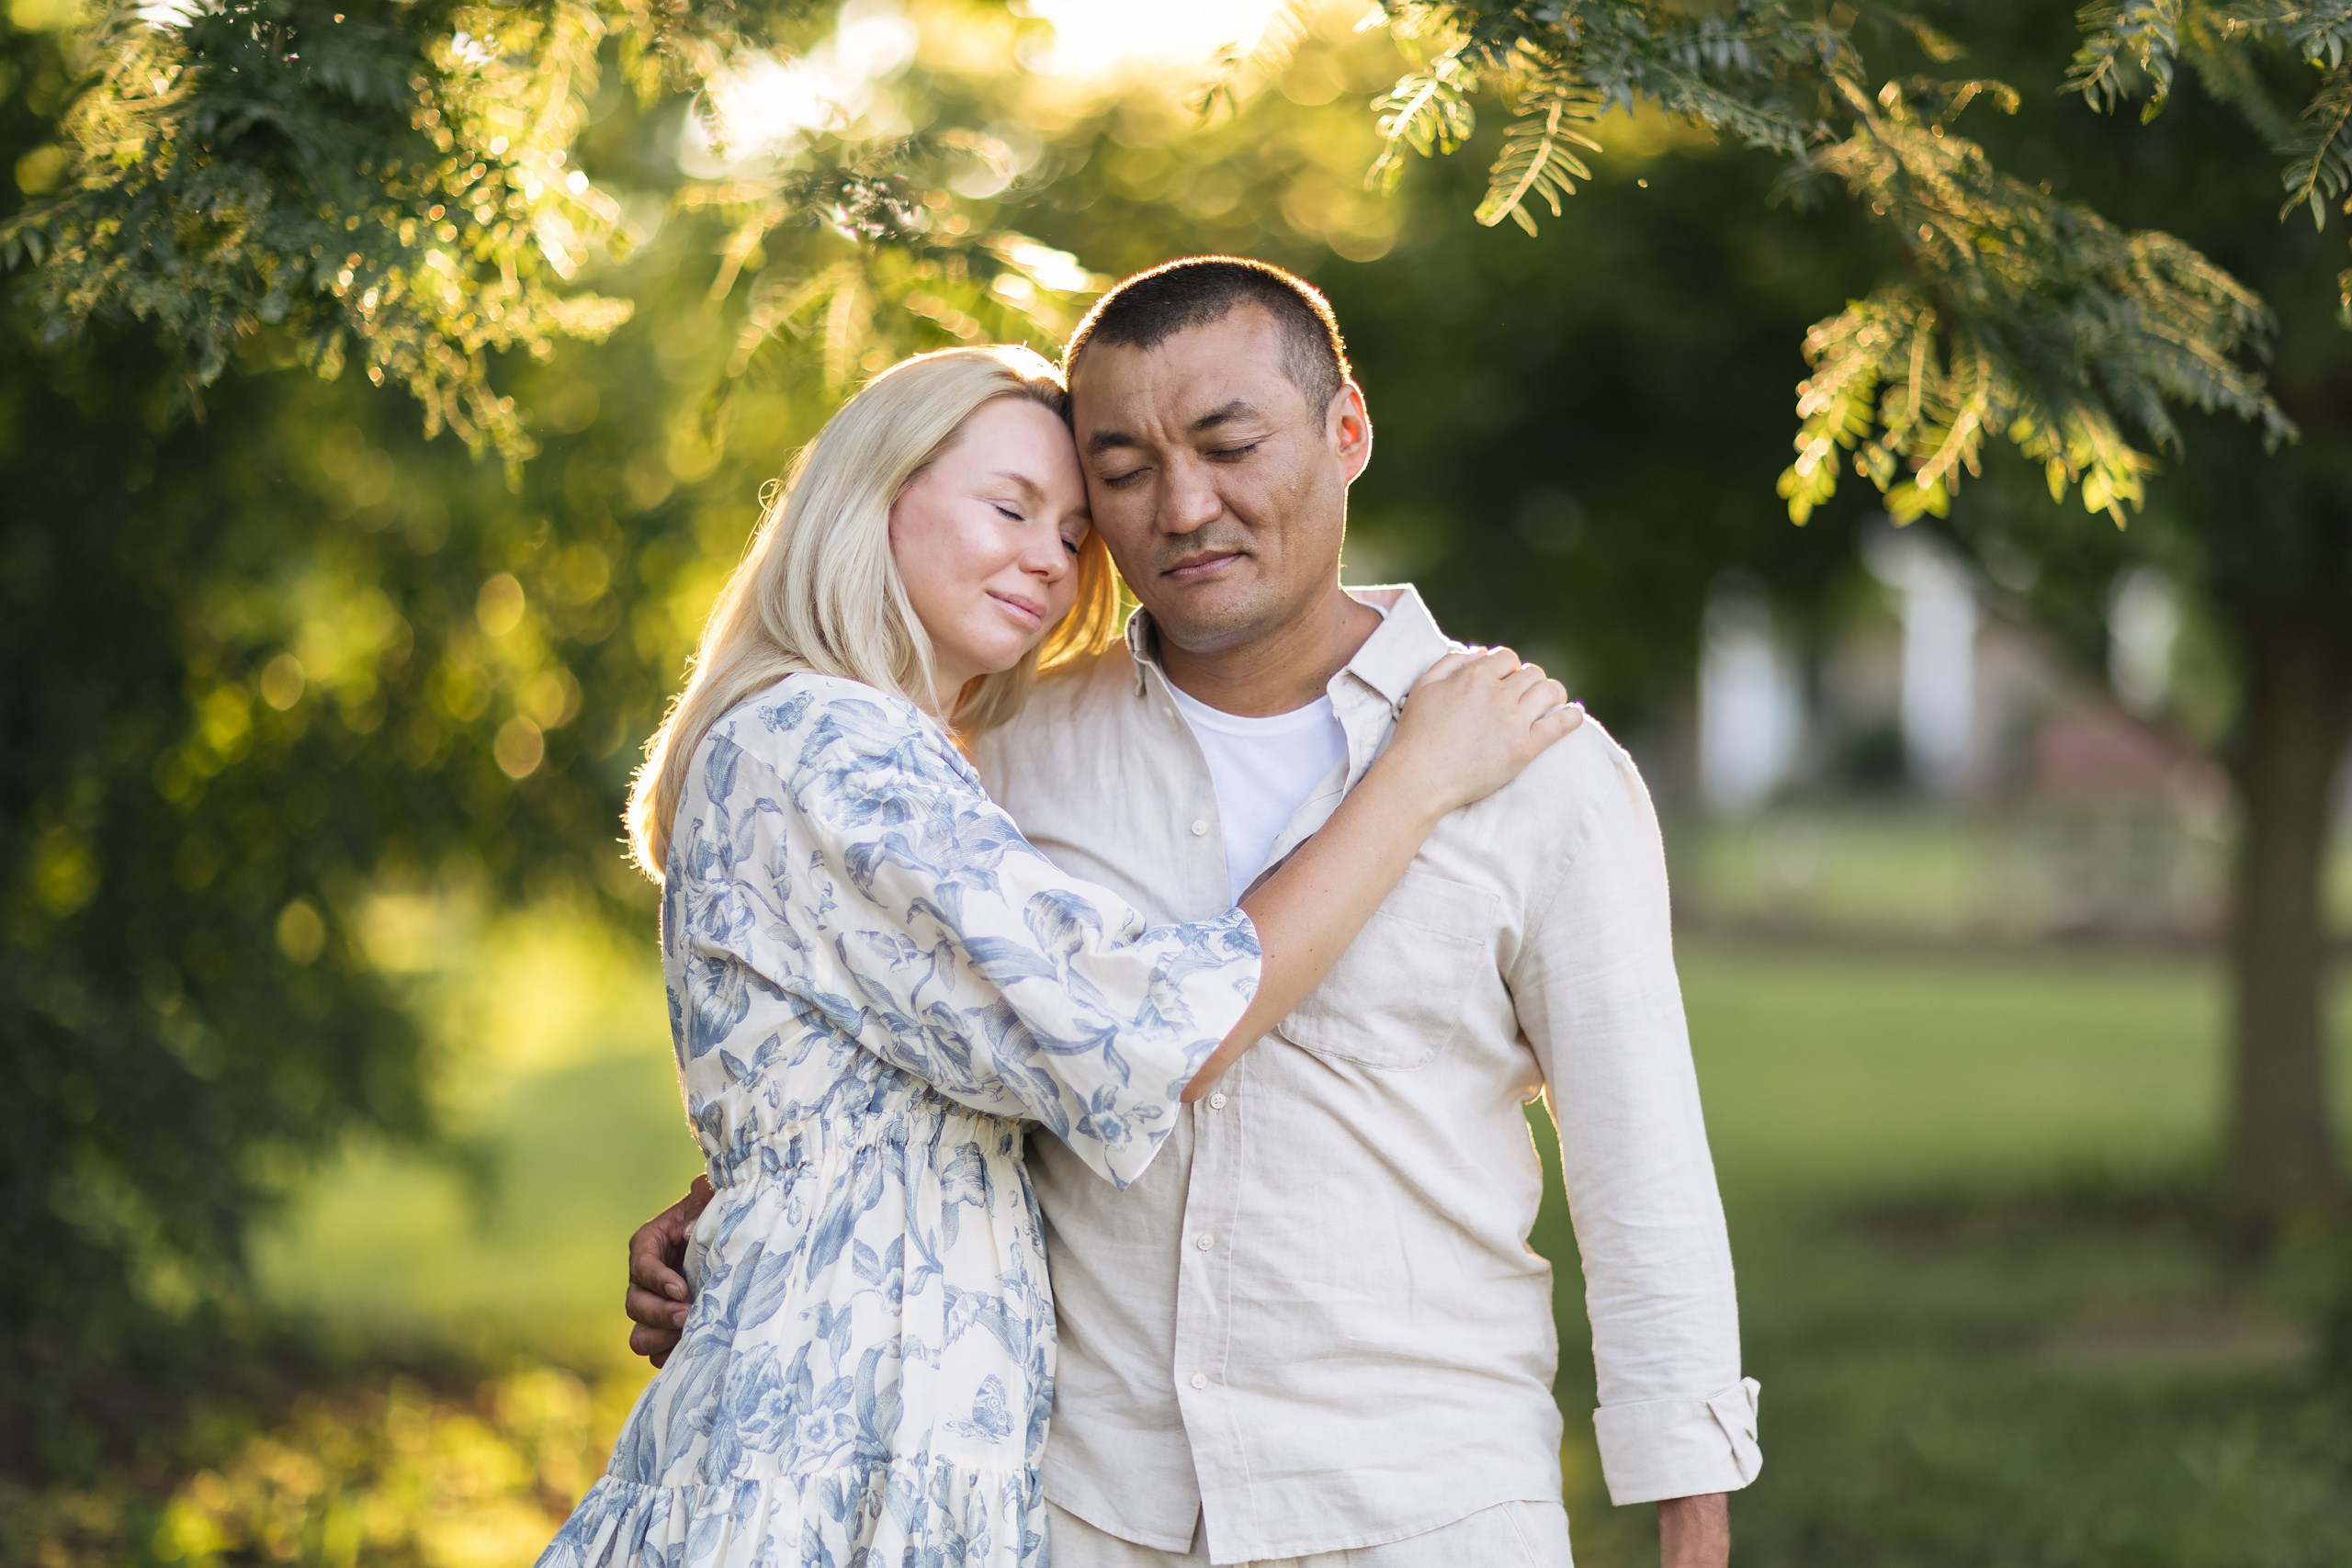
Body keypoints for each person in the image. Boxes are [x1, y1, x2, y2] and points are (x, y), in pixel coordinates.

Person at [627, 258, 1760, 1568]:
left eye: (1230, 445)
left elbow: (1644, 1165)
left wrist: (1693, 1522)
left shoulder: (1532, 764)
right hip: (1087, 1511)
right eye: (1121, 472)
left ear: (1346, 433)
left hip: (1422, 1508)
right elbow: (919, 1007)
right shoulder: (1004, 742)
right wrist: (743, 1194)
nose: (1184, 506)